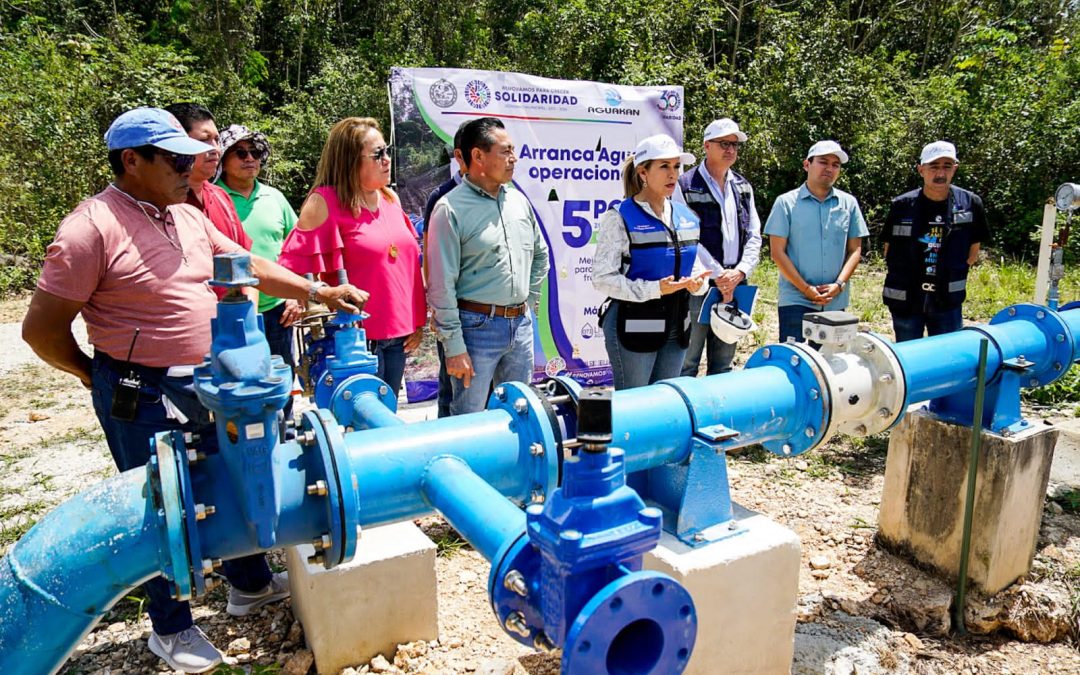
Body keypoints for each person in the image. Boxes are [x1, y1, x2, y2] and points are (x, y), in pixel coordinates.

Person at [20, 107, 369, 674]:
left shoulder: (182, 215)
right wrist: (92, 373)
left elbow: (243, 263)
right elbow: (40, 330)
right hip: (141, 390)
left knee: (230, 473)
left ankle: (249, 583)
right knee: (163, 504)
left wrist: (317, 290)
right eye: (176, 158)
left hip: (205, 380)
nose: (193, 164)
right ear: (132, 161)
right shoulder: (91, 227)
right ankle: (172, 627)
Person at [278, 117, 425, 399]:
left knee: (385, 423)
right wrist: (294, 298)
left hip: (397, 338)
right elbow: (292, 264)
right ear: (349, 161)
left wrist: (417, 321)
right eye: (377, 154)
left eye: (387, 150)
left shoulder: (390, 198)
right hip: (351, 339)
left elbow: (406, 267)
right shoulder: (324, 201)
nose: (387, 160)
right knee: (360, 425)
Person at [426, 117, 550, 414]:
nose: (513, 158)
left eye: (513, 151)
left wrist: (528, 303)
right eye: (505, 151)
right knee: (469, 421)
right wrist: (454, 349)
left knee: (520, 414)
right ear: (477, 156)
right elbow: (441, 286)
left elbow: (540, 255)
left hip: (520, 326)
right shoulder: (449, 209)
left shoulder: (519, 201)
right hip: (475, 329)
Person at [593, 134, 711, 390]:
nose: (673, 174)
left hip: (678, 323)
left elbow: (694, 268)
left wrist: (698, 283)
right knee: (634, 405)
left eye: (677, 166)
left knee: (665, 403)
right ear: (643, 173)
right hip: (635, 323)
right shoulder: (620, 217)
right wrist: (653, 289)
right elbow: (602, 278)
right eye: (664, 166)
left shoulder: (686, 216)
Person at [216, 124, 301, 414]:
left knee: (281, 384)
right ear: (223, 159)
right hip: (229, 313)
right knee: (238, 389)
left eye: (255, 152)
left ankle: (285, 439)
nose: (250, 158)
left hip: (276, 311)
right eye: (240, 152)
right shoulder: (212, 199)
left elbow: (296, 248)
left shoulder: (274, 198)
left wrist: (294, 295)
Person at [674, 118, 761, 375]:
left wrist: (741, 272)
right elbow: (685, 236)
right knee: (688, 361)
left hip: (735, 284)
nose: (730, 149)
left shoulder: (743, 186)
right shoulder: (684, 185)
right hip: (698, 284)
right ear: (706, 146)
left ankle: (719, 415)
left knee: (723, 362)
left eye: (734, 144)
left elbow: (755, 234)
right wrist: (718, 274)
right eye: (723, 143)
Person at [881, 141, 988, 341]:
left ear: (954, 169)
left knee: (947, 359)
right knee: (908, 357)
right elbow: (889, 249)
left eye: (947, 166)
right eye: (934, 166)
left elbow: (973, 251)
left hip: (947, 300)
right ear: (921, 170)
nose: (940, 173)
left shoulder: (970, 203)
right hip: (907, 298)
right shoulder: (901, 205)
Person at [764, 140, 868, 344]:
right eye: (823, 162)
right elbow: (777, 252)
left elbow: (855, 250)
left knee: (833, 364)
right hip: (796, 300)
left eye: (835, 164)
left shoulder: (848, 203)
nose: (829, 168)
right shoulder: (786, 203)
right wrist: (805, 289)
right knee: (797, 364)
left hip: (834, 300)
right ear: (806, 165)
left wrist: (839, 285)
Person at [163, 104, 253, 299]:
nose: (215, 149)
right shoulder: (162, 206)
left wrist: (248, 317)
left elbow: (246, 265)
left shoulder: (221, 197)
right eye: (204, 140)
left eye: (217, 140)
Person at [423, 124, 466, 418]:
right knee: (451, 387)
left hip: (496, 316)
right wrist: (437, 310)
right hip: (456, 312)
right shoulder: (442, 198)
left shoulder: (506, 195)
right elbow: (431, 259)